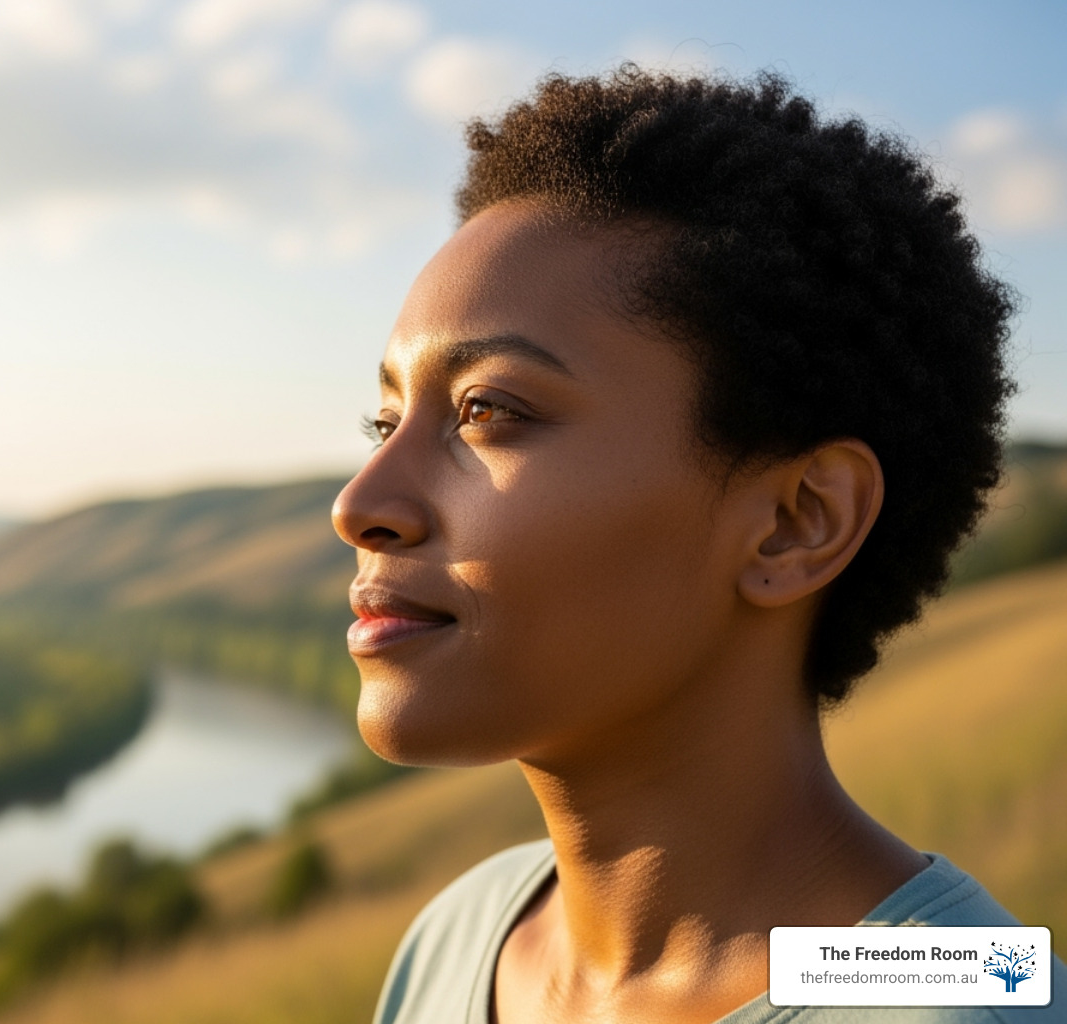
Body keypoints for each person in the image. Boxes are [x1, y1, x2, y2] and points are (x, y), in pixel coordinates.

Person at [330, 67, 1065, 1024]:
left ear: (797, 521)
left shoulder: (967, 999)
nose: (361, 504)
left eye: (489, 411)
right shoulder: (466, 936)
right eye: (383, 420)